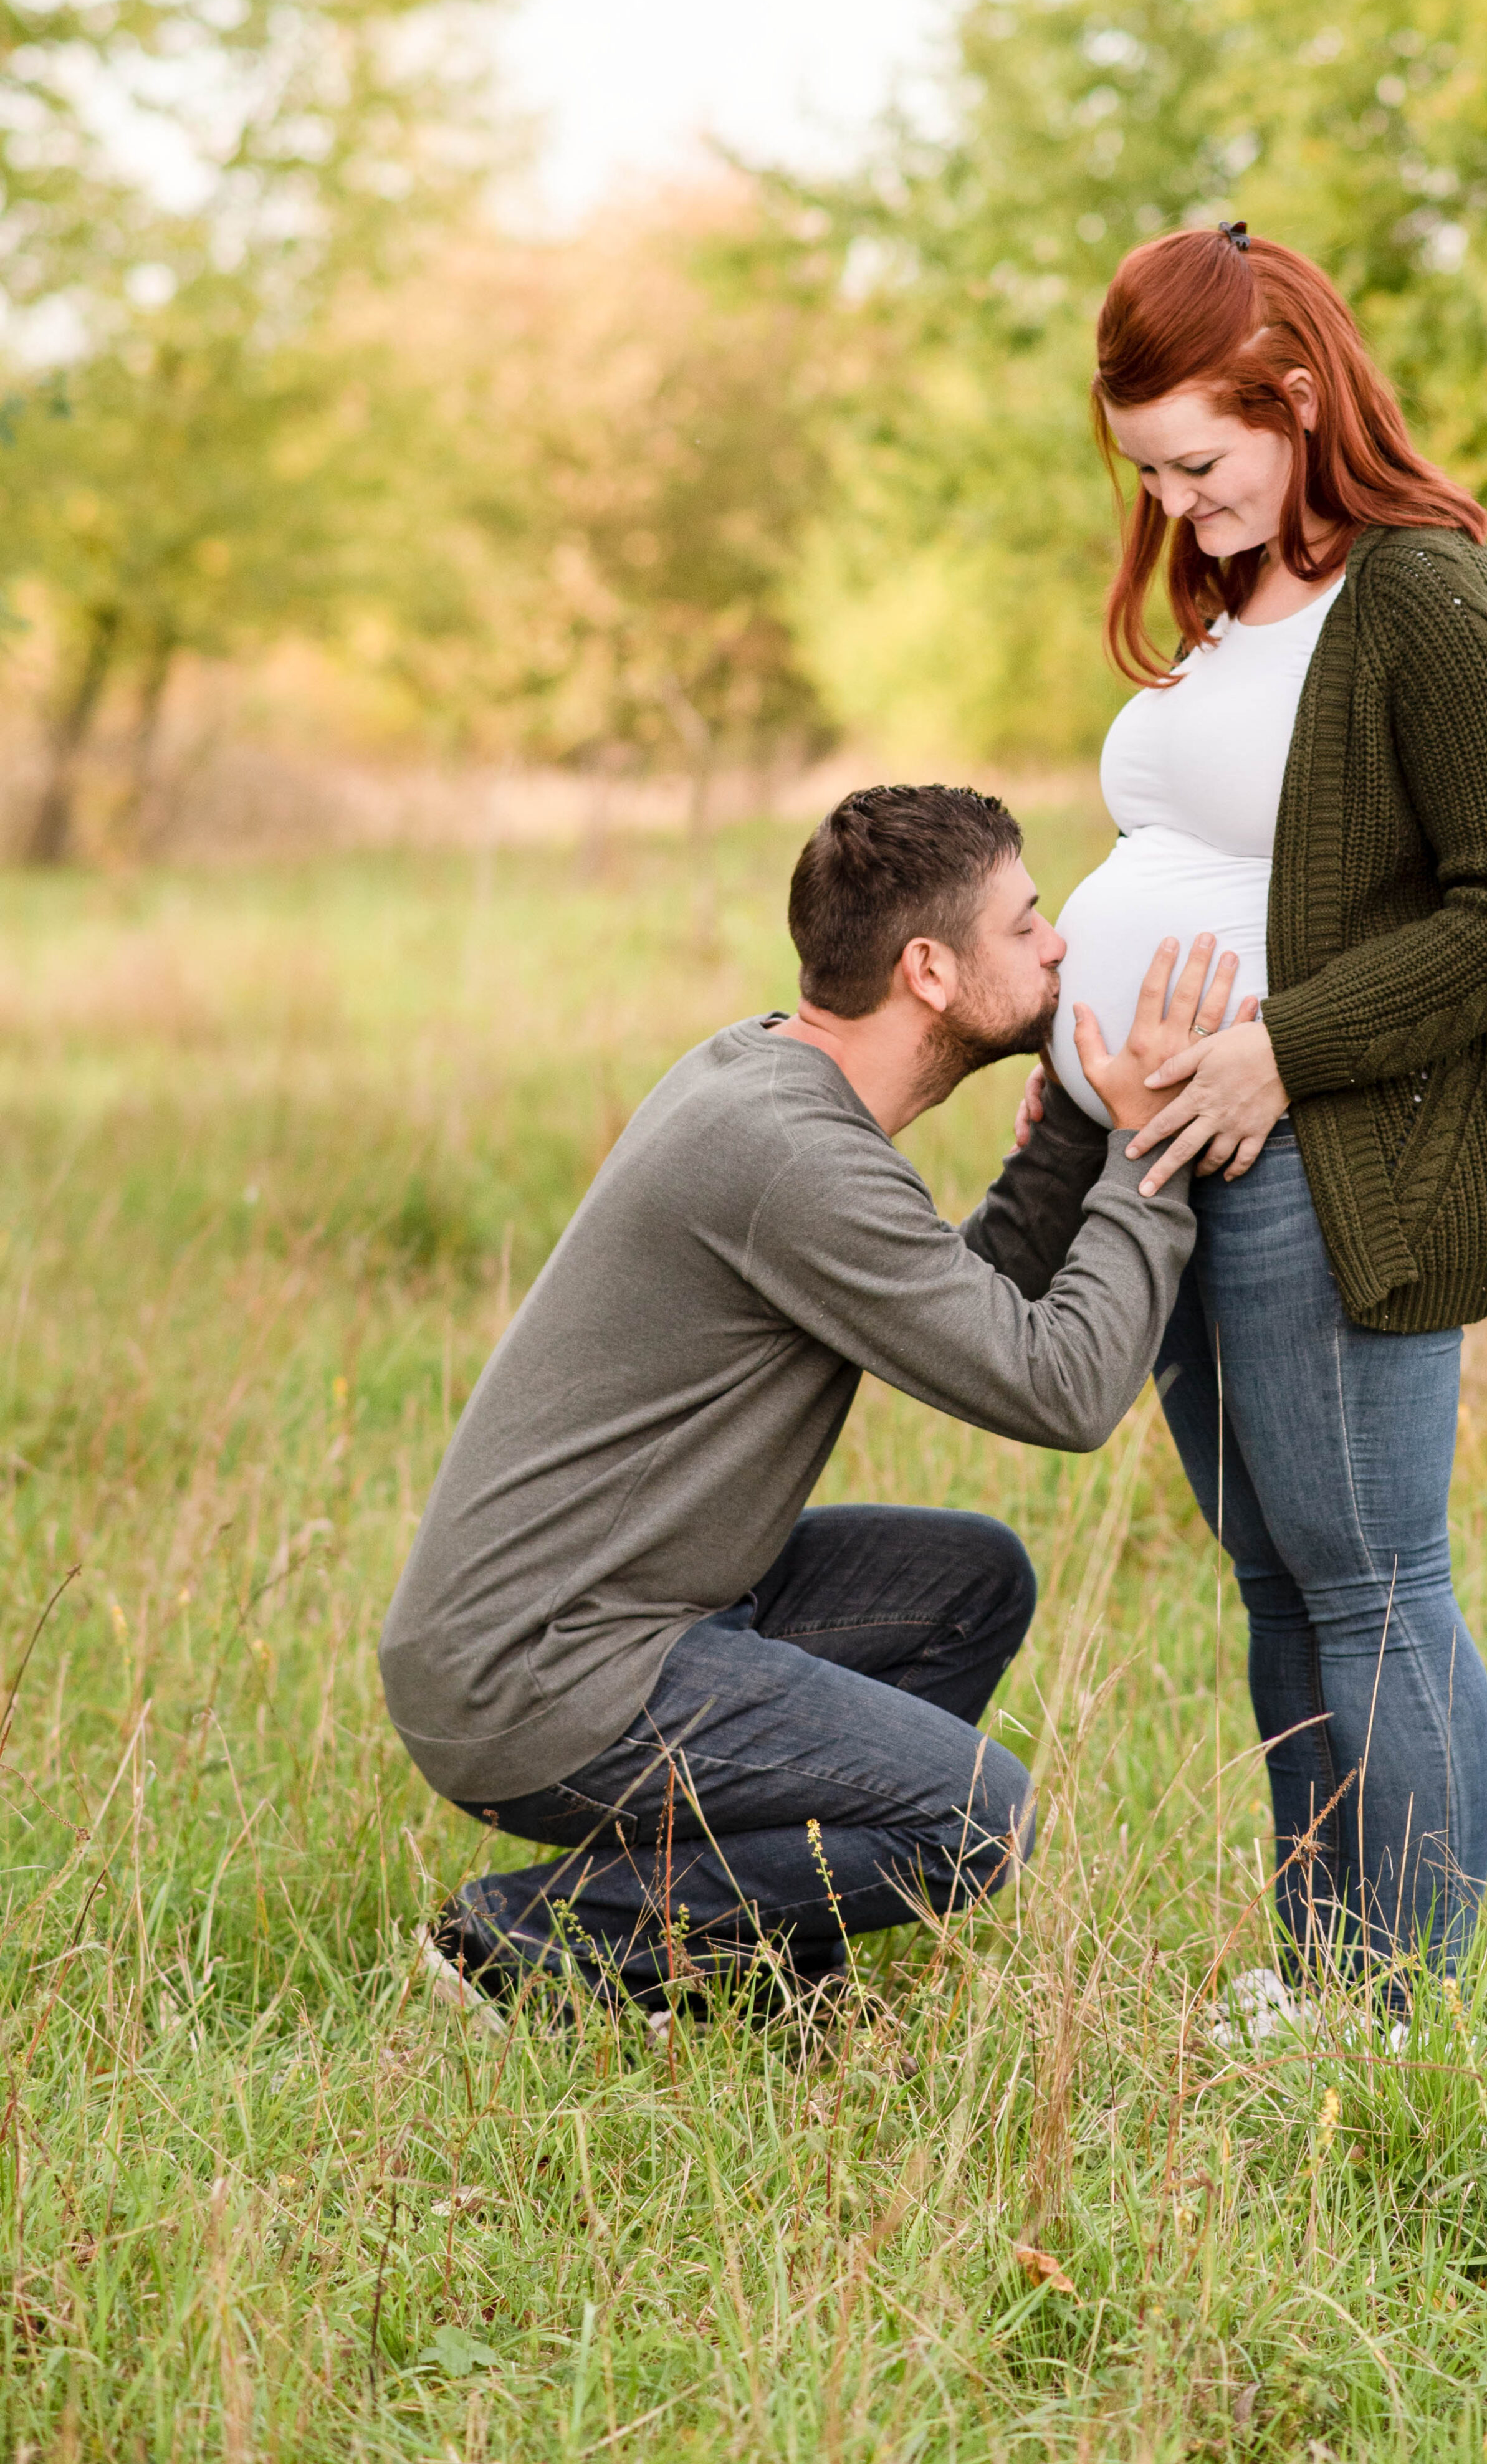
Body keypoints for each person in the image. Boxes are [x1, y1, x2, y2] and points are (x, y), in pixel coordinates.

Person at [387, 785, 1237, 2031]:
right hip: (537, 1679)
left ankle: (751, 1953)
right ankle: (531, 1936)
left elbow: (965, 1302)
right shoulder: (791, 1157)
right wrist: (1144, 1156)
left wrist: (1065, 1135)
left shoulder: (768, 1081)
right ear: (929, 970)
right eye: (1028, 922)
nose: (1058, 944)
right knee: (972, 1818)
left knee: (967, 1582)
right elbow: (1063, 1387)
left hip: (612, 1620)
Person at [1031, 222, 1487, 2036]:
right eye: (1149, 476)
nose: (1179, 506)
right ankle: (1326, 1971)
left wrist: (1277, 1051)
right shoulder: (1240, 599)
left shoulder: (1421, 595)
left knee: (1371, 1581)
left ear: (1295, 396)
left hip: (1320, 1160)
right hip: (1177, 1157)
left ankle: (1406, 2016)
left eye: (1200, 462)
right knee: (1277, 1576)